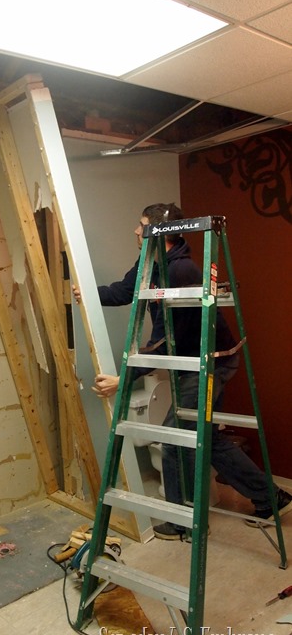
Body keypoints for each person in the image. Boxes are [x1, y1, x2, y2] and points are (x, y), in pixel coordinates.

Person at [73, 202, 292, 541]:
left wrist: (125, 380)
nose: (136, 231)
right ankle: (269, 496)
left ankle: (179, 522)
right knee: (207, 437)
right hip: (188, 359)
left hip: (210, 364)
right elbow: (123, 291)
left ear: (163, 234)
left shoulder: (182, 272)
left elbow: (163, 342)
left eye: (142, 225)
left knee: (175, 441)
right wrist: (88, 295)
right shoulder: (151, 258)